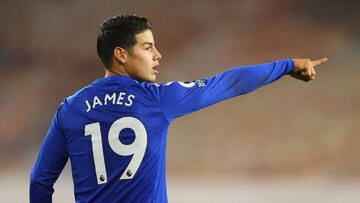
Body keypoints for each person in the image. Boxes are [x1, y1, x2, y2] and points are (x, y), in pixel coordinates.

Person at [29, 14, 328, 203]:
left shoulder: (70, 109)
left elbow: (40, 181)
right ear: (121, 54)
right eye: (147, 47)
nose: (158, 55)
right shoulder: (157, 100)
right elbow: (229, 82)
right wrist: (288, 65)